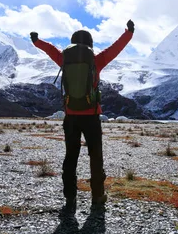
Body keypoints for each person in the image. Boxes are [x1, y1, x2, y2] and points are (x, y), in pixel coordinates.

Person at [30, 20, 134, 210]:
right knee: (95, 157)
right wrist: (129, 32)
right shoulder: (96, 60)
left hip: (71, 117)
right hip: (92, 117)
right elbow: (116, 48)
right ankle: (97, 196)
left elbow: (50, 49)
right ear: (90, 44)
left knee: (71, 157)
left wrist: (37, 41)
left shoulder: (64, 58)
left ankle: (70, 197)